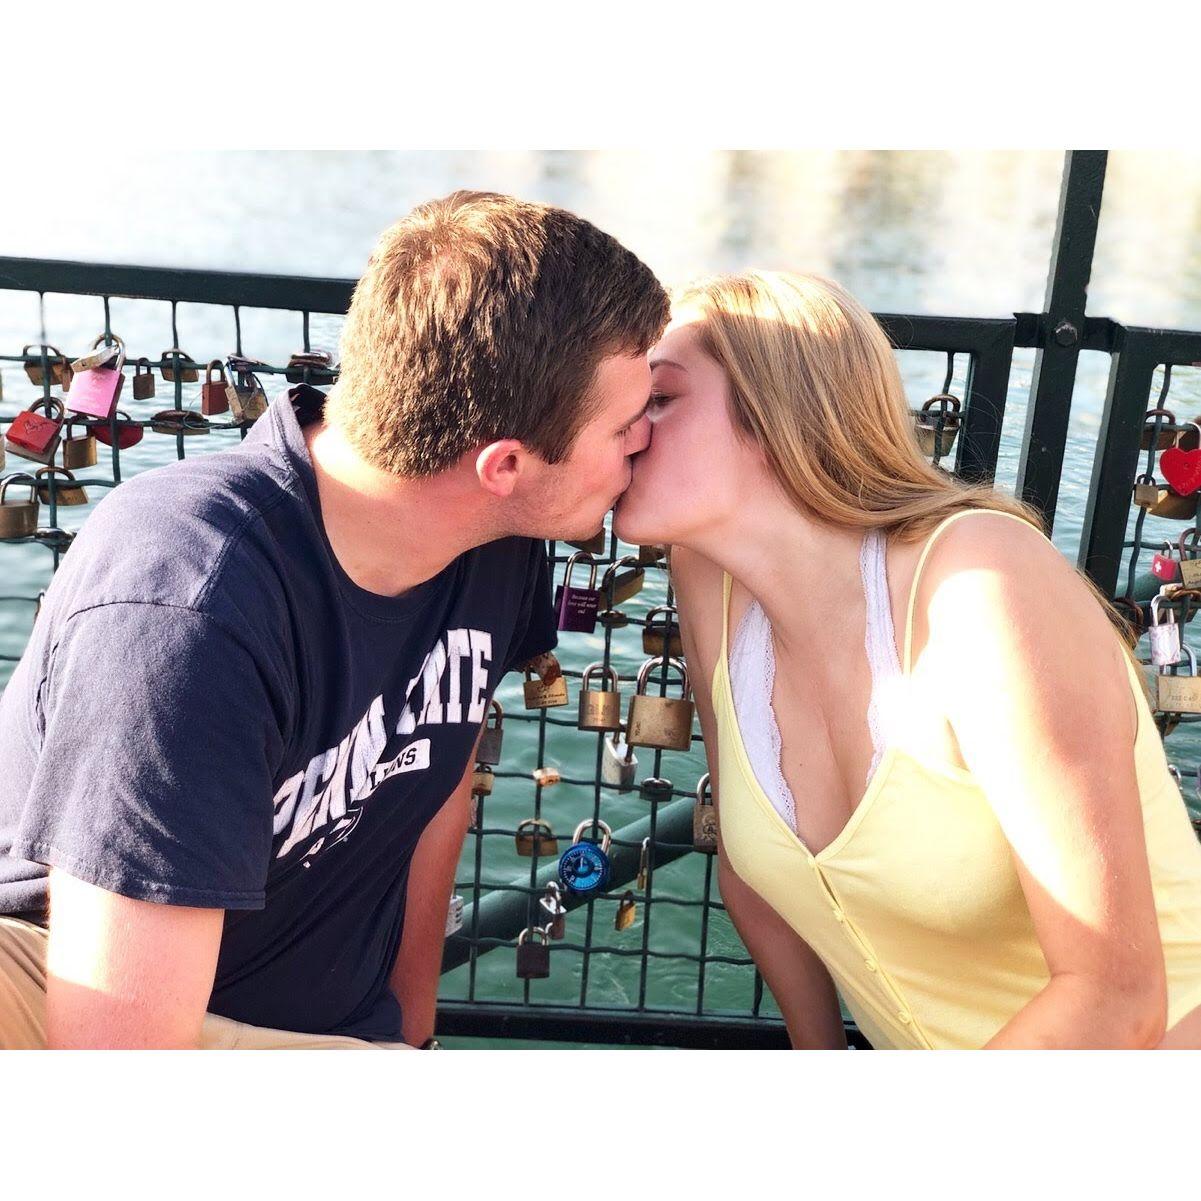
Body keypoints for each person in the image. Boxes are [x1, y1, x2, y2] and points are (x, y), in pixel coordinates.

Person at [0, 191, 668, 1049]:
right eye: (625, 424)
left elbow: (430, 793)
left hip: (320, 1032)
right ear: (503, 464)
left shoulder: (496, 542)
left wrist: (409, 1033)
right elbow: (115, 1054)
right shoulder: (188, 605)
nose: (644, 440)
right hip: (97, 1012)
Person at [614, 268, 1201, 1049]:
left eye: (659, 399)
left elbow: (1115, 997)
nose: (626, 428)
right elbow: (750, 876)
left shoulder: (977, 583)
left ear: (777, 414)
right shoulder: (710, 577)